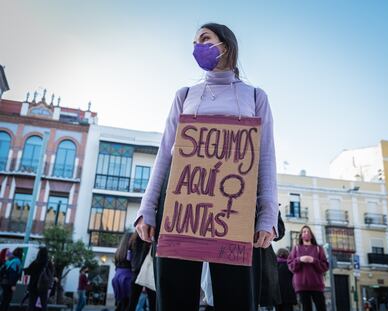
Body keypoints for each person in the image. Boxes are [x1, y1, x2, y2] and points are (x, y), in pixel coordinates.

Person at [135, 22, 279, 311]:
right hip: (181, 203)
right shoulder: (184, 94)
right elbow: (165, 153)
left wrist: (267, 217)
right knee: (174, 295)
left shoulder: (255, 96)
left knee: (236, 295)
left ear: (225, 44)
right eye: (194, 42)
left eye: (204, 38)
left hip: (235, 208)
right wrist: (146, 209)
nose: (196, 46)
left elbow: (265, 157)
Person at [287, 225, 329, 311]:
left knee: (321, 308)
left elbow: (325, 266)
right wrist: (300, 259)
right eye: (304, 231)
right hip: (301, 286)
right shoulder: (296, 249)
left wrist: (313, 260)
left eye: (308, 231)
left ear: (311, 235)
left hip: (317, 285)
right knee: (306, 308)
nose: (306, 233)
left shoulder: (318, 249)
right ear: (301, 235)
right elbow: (291, 266)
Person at [127, 231, 154, 311]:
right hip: (146, 271)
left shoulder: (133, 239)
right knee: (153, 302)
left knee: (132, 303)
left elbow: (129, 257)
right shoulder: (149, 239)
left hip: (135, 272)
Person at [24, 247, 54, 311]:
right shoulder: (49, 263)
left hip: (33, 286)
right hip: (43, 286)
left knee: (31, 304)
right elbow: (51, 274)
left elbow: (28, 272)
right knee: (44, 304)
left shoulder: (35, 262)